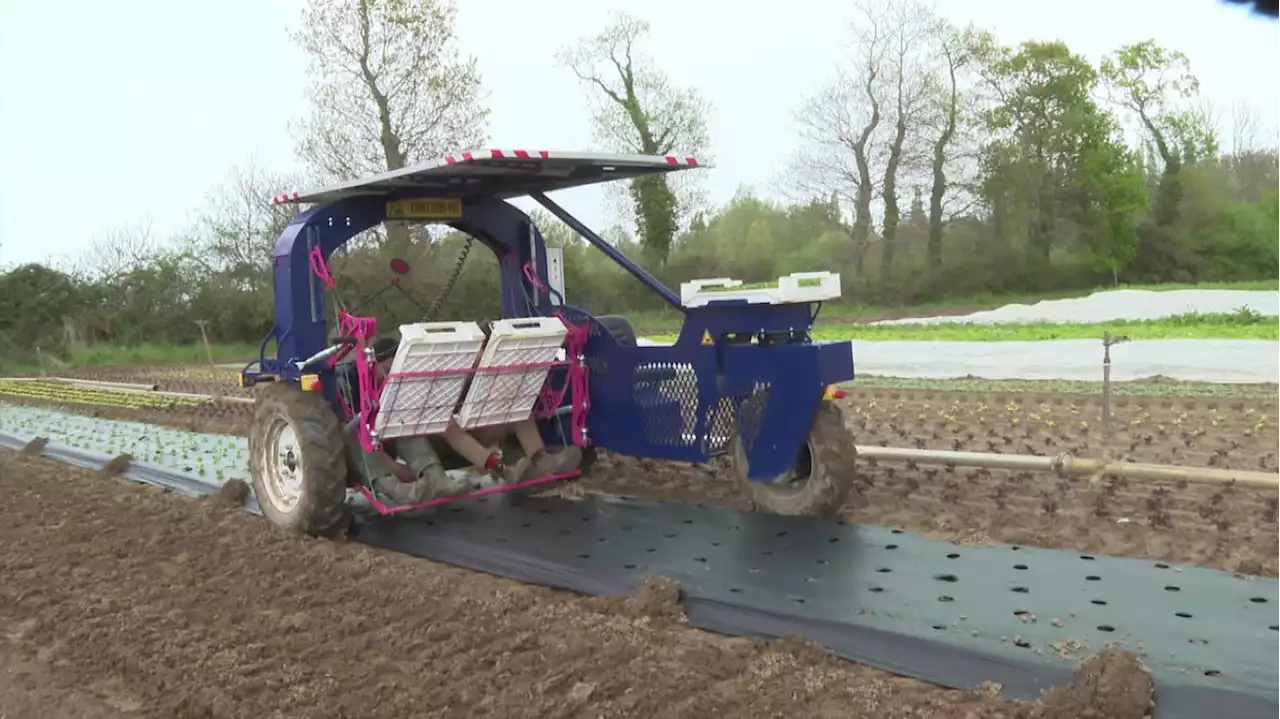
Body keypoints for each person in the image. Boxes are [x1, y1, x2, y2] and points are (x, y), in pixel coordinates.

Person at [340, 335, 582, 505]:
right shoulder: (367, 399)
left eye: (396, 367)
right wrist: (408, 477)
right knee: (371, 428)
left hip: (449, 437)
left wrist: (477, 364)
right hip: (425, 445)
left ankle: (541, 460)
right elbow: (385, 454)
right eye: (387, 368)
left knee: (516, 408)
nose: (392, 375)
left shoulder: (422, 381)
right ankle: (498, 469)